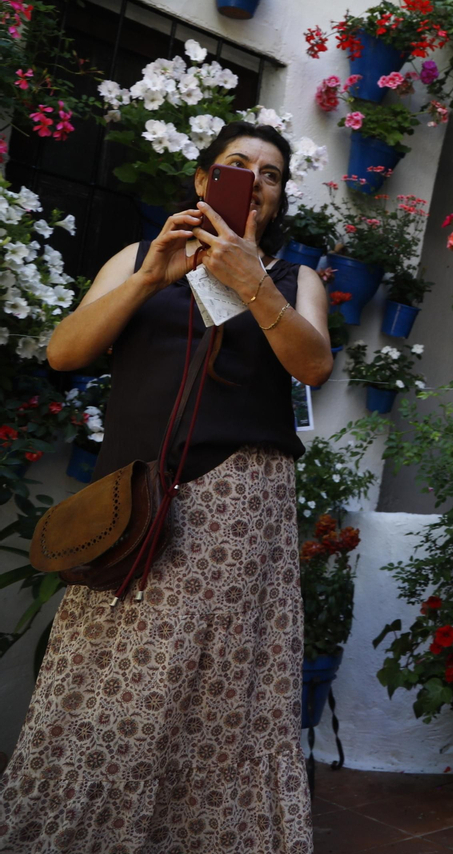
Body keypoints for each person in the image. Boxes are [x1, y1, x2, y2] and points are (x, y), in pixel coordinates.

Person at [0, 122, 332, 853]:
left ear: (277, 200)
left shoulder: (293, 278)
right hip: (130, 500)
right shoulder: (136, 258)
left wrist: (249, 282)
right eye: (236, 164)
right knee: (114, 685)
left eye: (269, 173)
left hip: (238, 505)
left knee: (217, 689)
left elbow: (312, 367)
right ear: (203, 180)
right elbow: (65, 351)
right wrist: (152, 276)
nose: (254, 178)